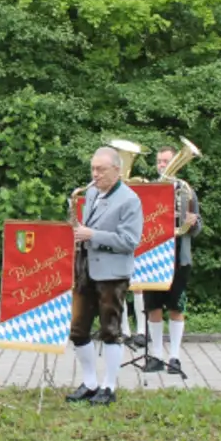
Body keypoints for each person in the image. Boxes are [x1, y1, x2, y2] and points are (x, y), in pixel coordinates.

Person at [66, 146, 144, 406]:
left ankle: (109, 386)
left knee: (110, 330)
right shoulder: (90, 193)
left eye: (101, 169)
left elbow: (130, 241)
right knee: (77, 329)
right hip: (84, 268)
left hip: (112, 273)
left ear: (117, 170)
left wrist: (93, 235)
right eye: (93, 169)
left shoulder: (130, 200)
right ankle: (90, 382)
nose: (95, 174)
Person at [139, 145, 202, 376]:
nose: (162, 166)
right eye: (159, 162)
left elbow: (197, 228)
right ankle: (156, 355)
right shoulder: (148, 190)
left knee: (177, 306)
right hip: (153, 255)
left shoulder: (186, 191)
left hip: (178, 256)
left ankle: (174, 357)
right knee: (153, 306)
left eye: (166, 161)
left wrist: (192, 222)